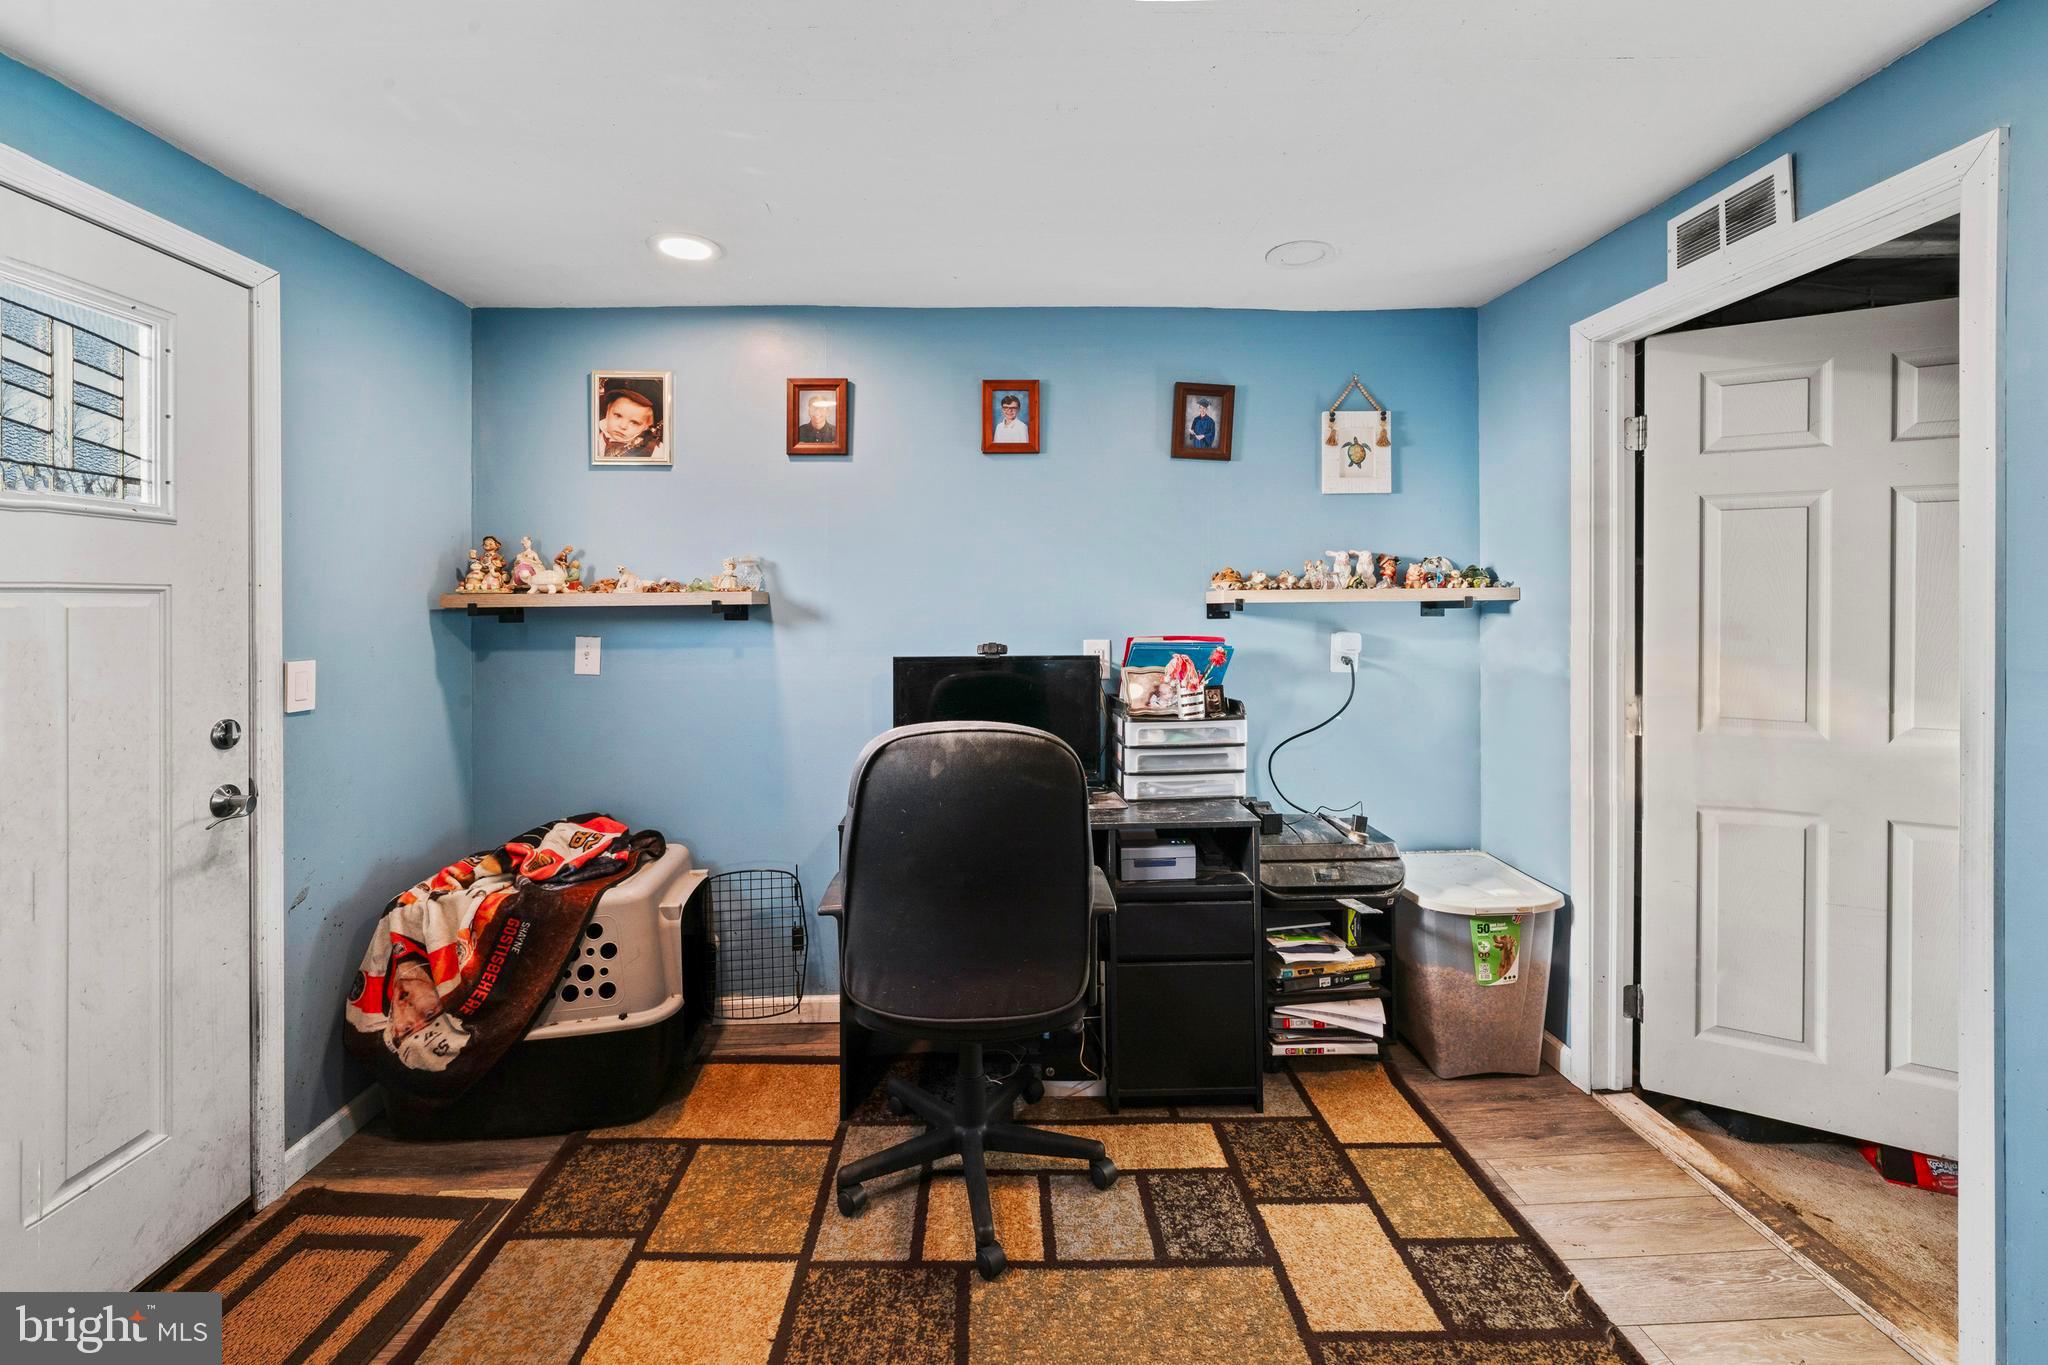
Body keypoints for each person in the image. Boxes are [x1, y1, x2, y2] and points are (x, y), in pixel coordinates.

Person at [597, 384, 662, 459]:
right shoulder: (592, 436)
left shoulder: (657, 451)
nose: (623, 426)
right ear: (607, 411)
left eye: (634, 422)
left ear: (647, 426)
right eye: (618, 415)